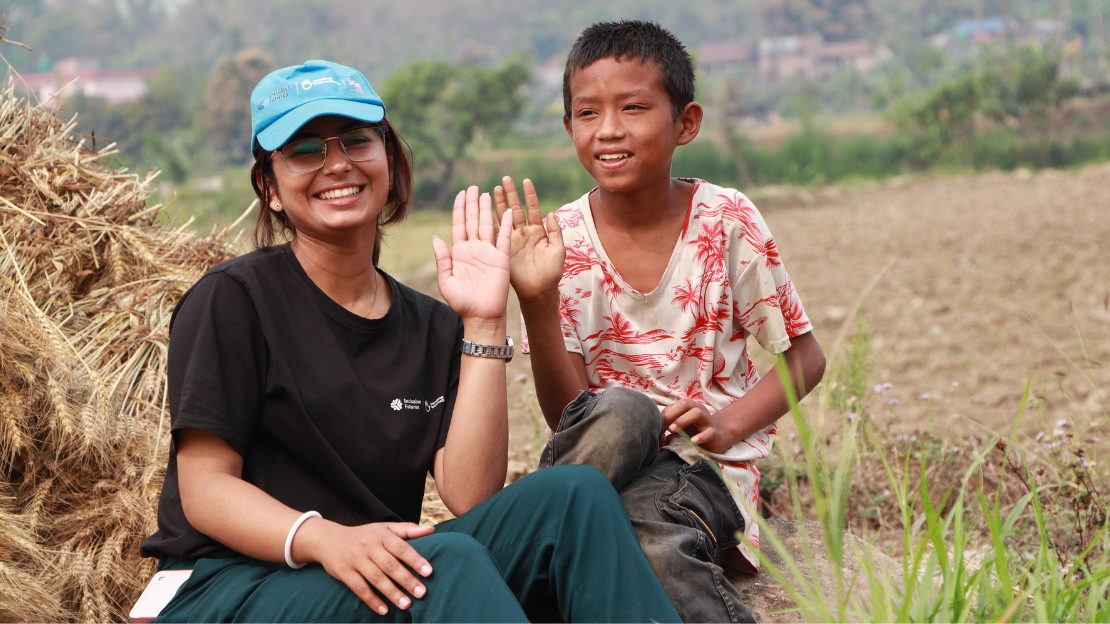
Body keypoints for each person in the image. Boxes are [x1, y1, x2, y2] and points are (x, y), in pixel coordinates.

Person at [138, 59, 682, 624]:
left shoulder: (432, 325)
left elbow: (470, 494)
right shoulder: (233, 299)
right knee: (442, 562)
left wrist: (485, 322)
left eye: (356, 141)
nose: (337, 164)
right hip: (229, 585)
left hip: (374, 576)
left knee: (575, 496)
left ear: (390, 164)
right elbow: (204, 490)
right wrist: (324, 539)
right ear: (270, 188)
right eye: (305, 150)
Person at [495, 22, 827, 623]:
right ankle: (535, 534)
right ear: (569, 127)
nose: (610, 130)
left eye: (634, 107)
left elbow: (805, 359)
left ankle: (523, 540)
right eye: (587, 112)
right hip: (602, 458)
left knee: (649, 540)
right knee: (623, 413)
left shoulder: (725, 221)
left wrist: (726, 426)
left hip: (698, 469)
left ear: (686, 123)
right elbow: (567, 418)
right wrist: (536, 302)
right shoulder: (558, 243)